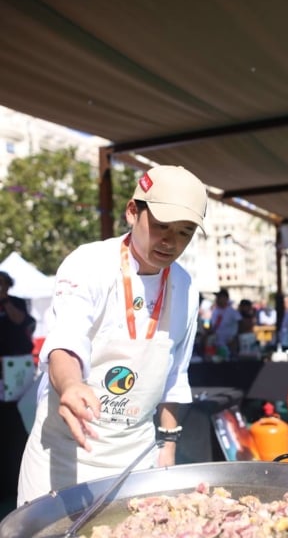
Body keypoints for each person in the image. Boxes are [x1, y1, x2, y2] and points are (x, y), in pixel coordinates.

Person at [17, 165, 207, 505]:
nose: (170, 241)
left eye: (184, 232)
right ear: (133, 211)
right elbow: (66, 341)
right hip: (64, 456)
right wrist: (72, 385)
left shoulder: (186, 286)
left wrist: (168, 444)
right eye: (161, 226)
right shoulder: (89, 263)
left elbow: (176, 374)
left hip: (135, 458)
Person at [0, 271, 36, 500]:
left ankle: (15, 479)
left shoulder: (16, 303)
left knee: (15, 430)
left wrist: (4, 300)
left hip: (16, 378)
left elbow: (21, 321)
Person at [208, 288, 241, 356]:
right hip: (217, 344)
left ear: (225, 298)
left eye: (219, 297)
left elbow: (241, 324)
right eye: (217, 297)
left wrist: (235, 338)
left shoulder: (232, 311)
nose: (217, 299)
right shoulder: (215, 311)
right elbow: (213, 326)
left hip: (229, 344)